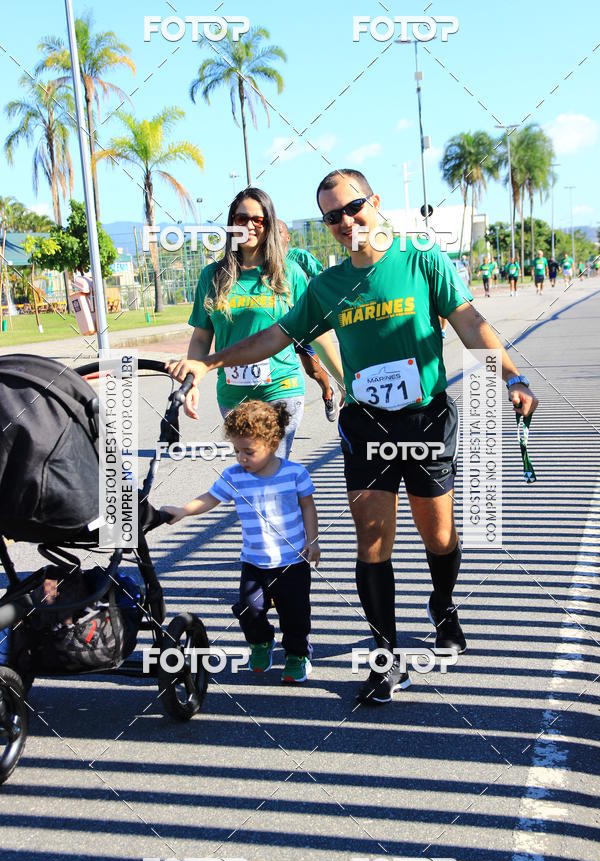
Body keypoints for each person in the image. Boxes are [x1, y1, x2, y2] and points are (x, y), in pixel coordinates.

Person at [167, 168, 539, 705]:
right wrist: (209, 363)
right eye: (332, 216)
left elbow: (470, 322)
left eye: (352, 207)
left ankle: (443, 603)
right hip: (366, 424)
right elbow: (276, 335)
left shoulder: (422, 262)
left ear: (375, 201)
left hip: (424, 420)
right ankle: (385, 659)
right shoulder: (328, 286)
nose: (345, 221)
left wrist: (512, 376)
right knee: (372, 542)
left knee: (439, 537)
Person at [162, 400, 319, 683]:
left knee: (295, 613)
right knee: (249, 607)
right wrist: (184, 510)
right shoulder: (234, 476)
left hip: (292, 561)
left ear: (272, 444)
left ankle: (297, 654)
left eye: (249, 451)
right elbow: (211, 498)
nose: (241, 458)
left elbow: (308, 506)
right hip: (254, 561)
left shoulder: (294, 474)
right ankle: (261, 643)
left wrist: (313, 541)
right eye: (236, 451)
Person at [183, 187, 343, 459]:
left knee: (268, 467)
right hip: (233, 397)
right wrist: (191, 382)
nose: (249, 226)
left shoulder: (289, 273)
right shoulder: (212, 276)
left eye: (259, 220)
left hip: (282, 388)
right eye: (241, 218)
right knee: (252, 471)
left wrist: (344, 383)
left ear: (268, 224)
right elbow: (201, 338)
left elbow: (317, 333)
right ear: (232, 223)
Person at [277, 220, 340, 421]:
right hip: (277, 327)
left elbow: (320, 276)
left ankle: (328, 392)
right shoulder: (262, 262)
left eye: (280, 231)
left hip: (303, 324)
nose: (275, 235)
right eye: (272, 231)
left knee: (313, 371)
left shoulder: (298, 257)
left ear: (287, 237)